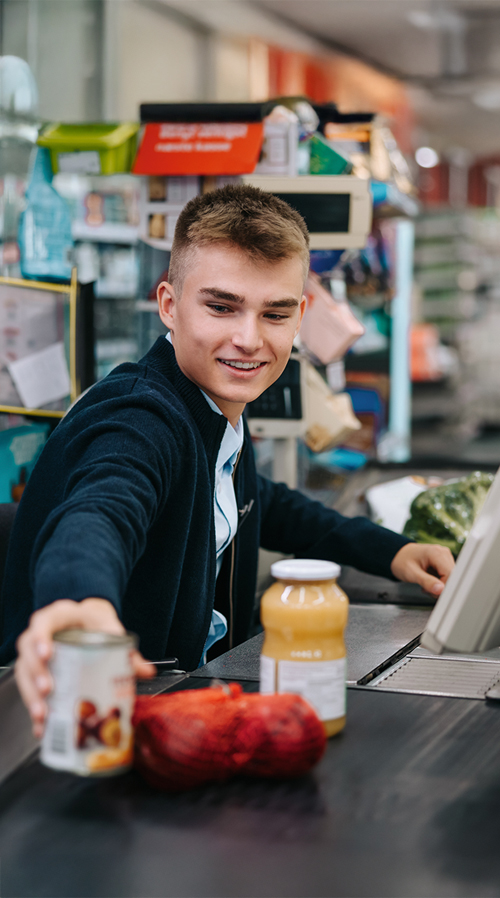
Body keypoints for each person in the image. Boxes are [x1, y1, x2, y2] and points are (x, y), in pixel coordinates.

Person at [4, 185, 454, 737]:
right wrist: (78, 601)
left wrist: (392, 551)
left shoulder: (212, 408)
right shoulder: (142, 417)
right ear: (169, 304)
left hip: (170, 711)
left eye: (275, 314)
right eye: (221, 307)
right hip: (75, 721)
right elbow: (101, 509)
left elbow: (261, 499)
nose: (249, 339)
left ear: (300, 317)